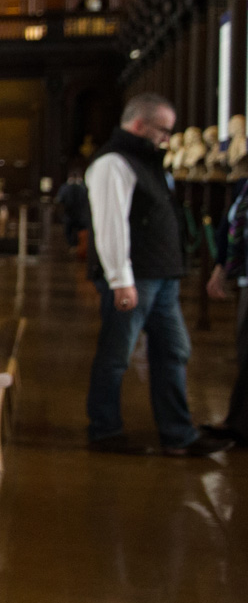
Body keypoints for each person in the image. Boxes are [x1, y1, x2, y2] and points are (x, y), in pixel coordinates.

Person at [85, 93, 228, 457]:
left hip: (161, 276)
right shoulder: (113, 163)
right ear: (138, 125)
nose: (167, 138)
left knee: (174, 350)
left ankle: (178, 435)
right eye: (162, 130)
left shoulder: (147, 161)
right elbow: (111, 225)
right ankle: (104, 431)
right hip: (134, 278)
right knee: (116, 355)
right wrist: (120, 279)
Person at [203, 175, 248, 446]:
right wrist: (221, 268)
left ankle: (238, 423)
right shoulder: (244, 185)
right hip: (245, 278)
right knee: (245, 353)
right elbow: (231, 226)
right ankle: (239, 423)